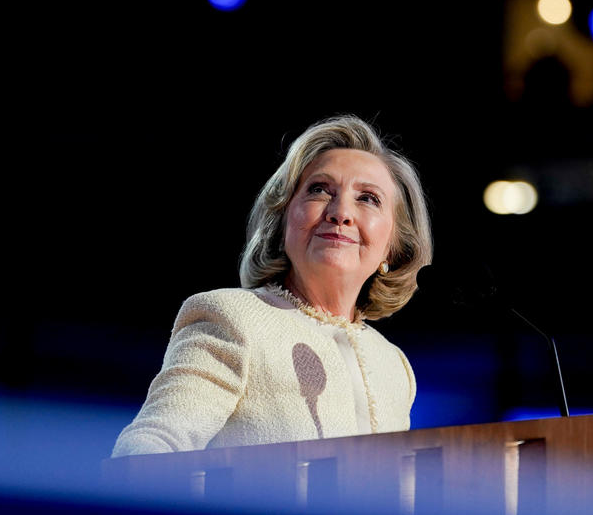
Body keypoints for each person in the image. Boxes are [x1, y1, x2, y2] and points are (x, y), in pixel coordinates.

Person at [112, 115, 433, 456]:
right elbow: (151, 446)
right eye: (319, 190)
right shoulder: (233, 318)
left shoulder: (393, 365)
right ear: (282, 221)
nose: (341, 213)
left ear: (393, 246)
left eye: (368, 198)